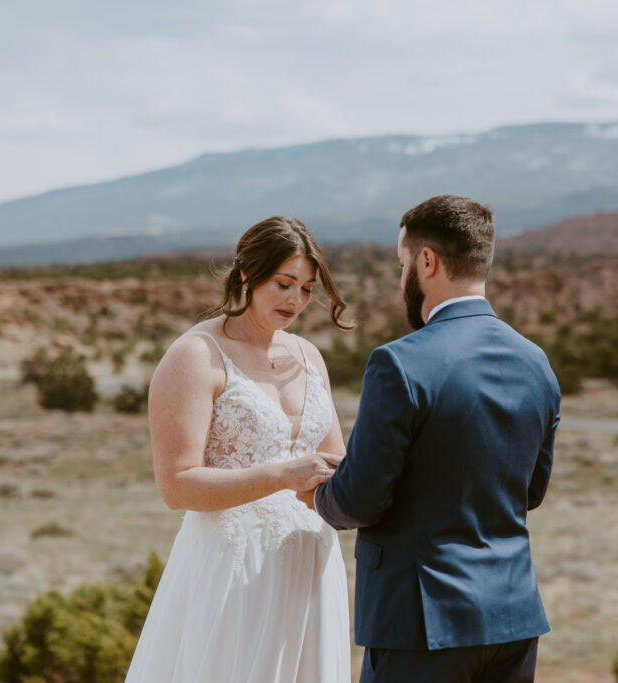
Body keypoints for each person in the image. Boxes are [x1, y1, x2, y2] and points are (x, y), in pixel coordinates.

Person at [305, 195, 560, 682]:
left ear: (427, 261)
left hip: (422, 624)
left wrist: (316, 494)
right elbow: (530, 491)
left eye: (402, 264)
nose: (401, 278)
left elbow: (358, 502)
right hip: (513, 618)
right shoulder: (536, 362)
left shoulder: (398, 363)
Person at [125, 216, 353, 682]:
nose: (296, 300)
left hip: (311, 563)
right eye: (284, 283)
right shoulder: (195, 354)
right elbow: (177, 486)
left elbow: (335, 463)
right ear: (247, 273)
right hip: (233, 567)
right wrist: (284, 476)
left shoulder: (310, 356)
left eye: (307, 289)